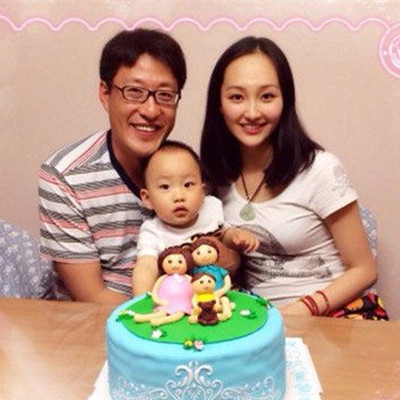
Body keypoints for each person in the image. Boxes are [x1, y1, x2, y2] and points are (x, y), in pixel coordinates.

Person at [200, 36, 389, 319]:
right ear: (219, 104)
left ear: (285, 100)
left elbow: (364, 269)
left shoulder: (320, 169)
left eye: (267, 96)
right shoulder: (214, 178)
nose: (252, 112)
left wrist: (300, 312)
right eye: (237, 97)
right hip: (260, 322)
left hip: (332, 317)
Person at [38, 28, 188, 304]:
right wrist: (165, 318)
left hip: (179, 313)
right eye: (134, 92)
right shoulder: (65, 177)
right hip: (101, 320)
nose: (151, 110)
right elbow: (91, 296)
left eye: (165, 95)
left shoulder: (187, 170)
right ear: (105, 94)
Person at [132, 140, 259, 295]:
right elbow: (146, 266)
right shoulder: (153, 232)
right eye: (165, 187)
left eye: (187, 185)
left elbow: (224, 233)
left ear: (202, 192)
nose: (179, 196)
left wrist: (236, 236)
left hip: (221, 293)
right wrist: (141, 299)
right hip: (180, 300)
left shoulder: (210, 209)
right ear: (148, 198)